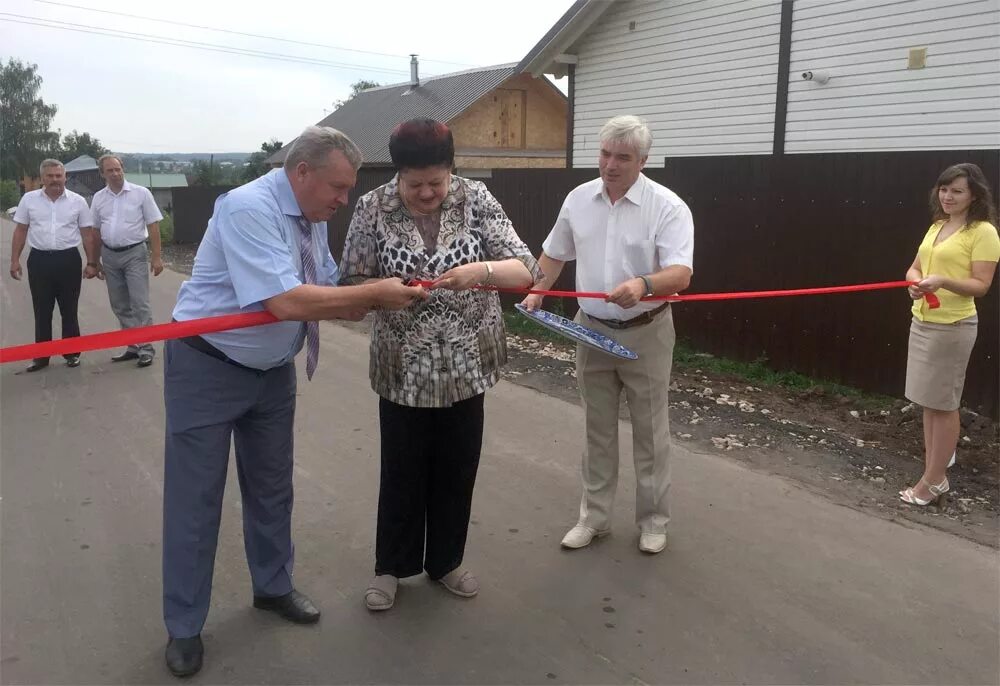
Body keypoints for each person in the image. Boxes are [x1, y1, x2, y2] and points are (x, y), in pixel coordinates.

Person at [162, 126, 427, 677]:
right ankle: (184, 627)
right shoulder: (247, 208)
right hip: (207, 367)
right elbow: (284, 301)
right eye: (337, 186)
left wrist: (375, 293)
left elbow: (324, 289)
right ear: (300, 172)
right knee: (196, 503)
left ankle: (272, 587)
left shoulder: (308, 220)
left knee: (272, 489)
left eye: (348, 189)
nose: (343, 199)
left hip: (270, 374)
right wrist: (370, 295)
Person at [339, 118, 540, 611]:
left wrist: (482, 270)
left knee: (457, 468)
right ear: (398, 175)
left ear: (452, 170)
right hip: (403, 367)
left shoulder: (476, 199)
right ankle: (391, 567)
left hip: (468, 364)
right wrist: (381, 293)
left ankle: (446, 561)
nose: (427, 193)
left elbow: (525, 269)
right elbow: (349, 284)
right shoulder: (372, 207)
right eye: (415, 185)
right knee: (402, 470)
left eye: (437, 182)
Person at [521, 115, 693, 555]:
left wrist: (643, 285)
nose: (611, 165)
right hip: (591, 331)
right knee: (597, 430)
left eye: (623, 157)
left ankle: (654, 521)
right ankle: (593, 519)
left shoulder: (668, 207)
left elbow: (681, 273)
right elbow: (554, 254)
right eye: (604, 154)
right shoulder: (578, 200)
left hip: (646, 333)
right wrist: (538, 290)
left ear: (643, 161)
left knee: (651, 432)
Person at [900, 163, 999, 506]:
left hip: (952, 326)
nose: (948, 196)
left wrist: (941, 281)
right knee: (928, 400)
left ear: (974, 195)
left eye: (957, 191)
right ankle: (935, 467)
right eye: (944, 189)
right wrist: (915, 281)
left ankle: (935, 480)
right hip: (924, 321)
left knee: (943, 404)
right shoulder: (938, 225)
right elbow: (916, 265)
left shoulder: (983, 231)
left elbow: (981, 285)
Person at [8, 159, 101, 372]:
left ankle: (72, 353)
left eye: (59, 176)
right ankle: (41, 357)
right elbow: (21, 230)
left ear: (65, 177)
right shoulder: (29, 200)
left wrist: (92, 263)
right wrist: (15, 260)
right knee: (42, 309)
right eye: (50, 176)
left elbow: (87, 235)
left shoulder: (77, 201)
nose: (55, 180)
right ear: (42, 178)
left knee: (69, 309)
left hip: (68, 260)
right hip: (39, 260)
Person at [90, 154, 164, 367]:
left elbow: (153, 226)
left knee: (139, 303)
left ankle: (146, 348)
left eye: (118, 169)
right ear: (102, 174)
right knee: (120, 304)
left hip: (135, 254)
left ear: (123, 169)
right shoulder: (98, 198)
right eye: (110, 170)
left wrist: (157, 257)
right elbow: (95, 231)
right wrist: (94, 262)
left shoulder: (141, 194)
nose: (115, 174)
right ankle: (133, 345)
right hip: (109, 254)